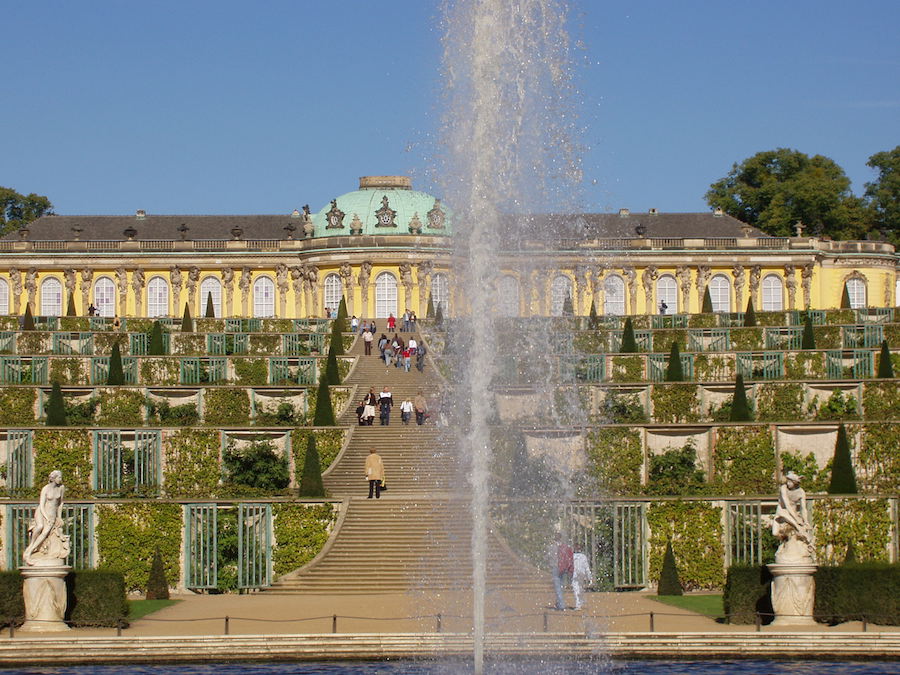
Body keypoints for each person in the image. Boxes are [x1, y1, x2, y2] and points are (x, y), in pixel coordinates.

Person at [23, 470, 67, 566]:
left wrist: (59, 517)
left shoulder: (61, 488)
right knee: (39, 527)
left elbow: (60, 503)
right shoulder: (45, 489)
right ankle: (31, 547)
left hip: (52, 514)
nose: (60, 479)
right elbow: (41, 505)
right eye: (59, 477)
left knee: (45, 533)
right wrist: (46, 517)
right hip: (42, 512)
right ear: (54, 478)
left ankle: (28, 552)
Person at [772, 471, 815, 562]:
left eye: (790, 482)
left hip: (793, 514)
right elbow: (786, 505)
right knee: (775, 533)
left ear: (795, 483)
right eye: (787, 481)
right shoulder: (783, 488)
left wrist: (806, 521)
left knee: (797, 530)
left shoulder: (801, 492)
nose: (788, 483)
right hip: (782, 512)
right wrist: (797, 519)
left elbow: (803, 508)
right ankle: (786, 541)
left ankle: (799, 543)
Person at [549, 532, 573, 611]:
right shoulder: (564, 546)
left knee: (557, 586)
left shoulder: (552, 546)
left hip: (555, 567)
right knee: (561, 585)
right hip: (563, 568)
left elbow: (550, 557)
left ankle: (561, 605)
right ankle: (558, 603)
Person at [572, 543, 593, 610]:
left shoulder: (572, 556)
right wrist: (589, 577)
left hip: (574, 574)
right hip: (581, 574)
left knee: (576, 588)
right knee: (580, 587)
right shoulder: (583, 556)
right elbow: (586, 568)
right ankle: (580, 602)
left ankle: (578, 603)